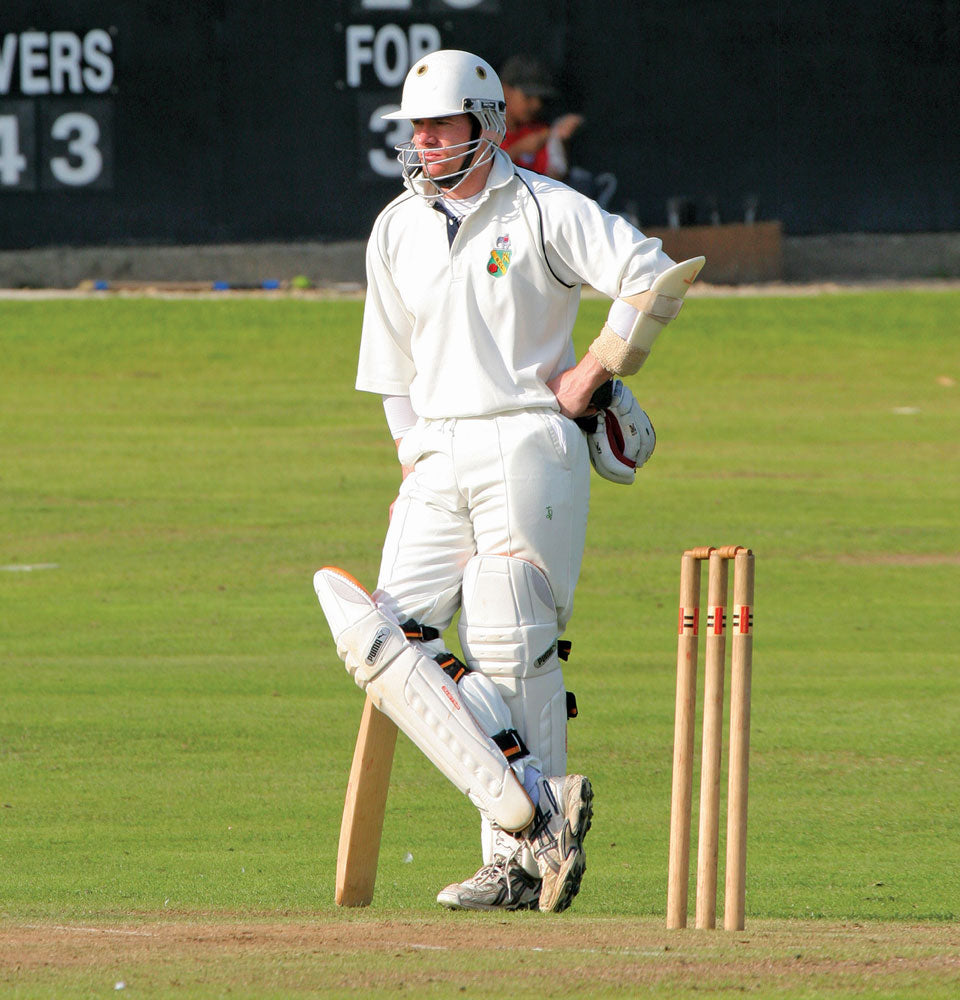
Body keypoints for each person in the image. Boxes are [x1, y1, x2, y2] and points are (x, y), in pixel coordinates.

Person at [313, 49, 684, 913]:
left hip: (528, 438)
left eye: (442, 126)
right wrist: (412, 455)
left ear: (486, 124)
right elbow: (390, 366)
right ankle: (535, 818)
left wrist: (592, 370)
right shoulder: (396, 226)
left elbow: (653, 273)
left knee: (512, 637)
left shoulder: (546, 209)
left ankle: (517, 864)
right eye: (417, 129)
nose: (426, 143)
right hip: (436, 447)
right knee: (387, 640)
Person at [499, 53, 583, 181]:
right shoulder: (485, 130)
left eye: (541, 99)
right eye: (528, 96)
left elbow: (555, 181)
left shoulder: (540, 132)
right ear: (505, 89)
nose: (537, 105)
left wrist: (559, 141)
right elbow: (479, 177)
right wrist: (518, 150)